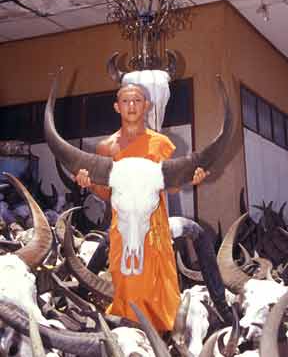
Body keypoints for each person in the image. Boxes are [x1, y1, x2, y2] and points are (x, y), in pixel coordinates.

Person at [75, 82, 208, 332]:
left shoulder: (161, 143)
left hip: (155, 226)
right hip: (122, 227)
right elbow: (106, 194)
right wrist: (89, 184)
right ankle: (130, 336)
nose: (132, 106)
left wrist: (191, 179)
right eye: (126, 101)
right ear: (117, 107)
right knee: (127, 285)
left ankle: (165, 338)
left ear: (146, 106)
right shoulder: (107, 147)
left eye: (137, 100)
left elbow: (170, 187)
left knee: (162, 290)